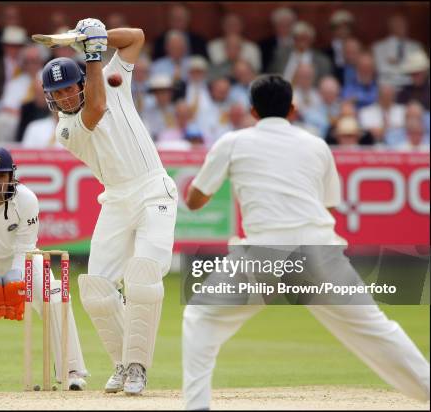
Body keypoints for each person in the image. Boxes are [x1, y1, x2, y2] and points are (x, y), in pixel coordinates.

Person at [181, 75, 430, 409]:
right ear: (293, 109)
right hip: (320, 252)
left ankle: (197, 405)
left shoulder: (233, 142)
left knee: (201, 318)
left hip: (262, 254)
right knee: (376, 330)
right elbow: (327, 206)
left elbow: (195, 202)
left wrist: (190, 190)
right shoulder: (316, 144)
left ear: (253, 111)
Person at [41, 18, 178, 395]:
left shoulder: (110, 75)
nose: (65, 98)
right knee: (96, 290)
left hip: (154, 189)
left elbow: (137, 38)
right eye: (58, 94)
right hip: (116, 198)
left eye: (69, 89)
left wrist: (97, 37)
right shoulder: (65, 129)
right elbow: (98, 106)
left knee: (143, 275)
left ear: (80, 82)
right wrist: (94, 52)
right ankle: (121, 363)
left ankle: (136, 367)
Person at [0, 146, 88, 392]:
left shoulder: (26, 199)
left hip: (21, 259)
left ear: (11, 176)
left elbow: (26, 247)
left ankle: (71, 371)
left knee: (54, 294)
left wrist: (14, 277)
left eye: (1, 176)